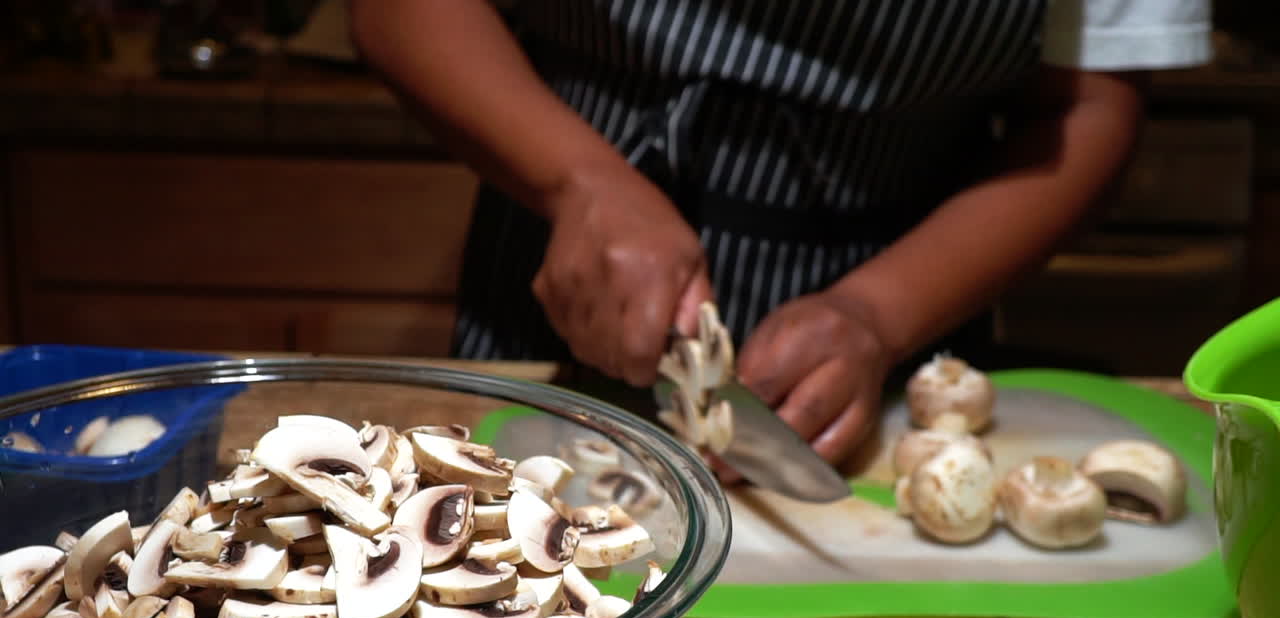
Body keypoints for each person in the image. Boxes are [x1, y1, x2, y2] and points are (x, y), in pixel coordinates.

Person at [348, 0, 1211, 469]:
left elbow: (1088, 105)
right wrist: (580, 181)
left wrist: (878, 313)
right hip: (553, 265)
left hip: (906, 278)